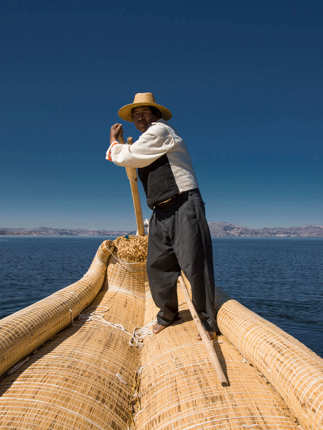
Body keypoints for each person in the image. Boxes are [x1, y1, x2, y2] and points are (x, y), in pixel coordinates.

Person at [106, 92, 221, 335]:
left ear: (156, 115)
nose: (140, 118)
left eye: (145, 112)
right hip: (160, 210)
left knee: (194, 264)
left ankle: (207, 323)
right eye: (136, 115)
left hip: (184, 204)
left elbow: (130, 156)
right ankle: (167, 315)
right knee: (157, 265)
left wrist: (114, 143)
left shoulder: (160, 131)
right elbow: (135, 155)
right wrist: (124, 148)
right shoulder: (144, 142)